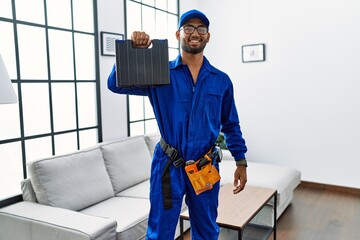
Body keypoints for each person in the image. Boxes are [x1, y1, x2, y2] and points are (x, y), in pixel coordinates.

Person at [108, 9, 248, 240]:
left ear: (208, 36)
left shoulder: (220, 80)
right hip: (167, 165)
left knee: (206, 229)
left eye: (201, 29)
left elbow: (231, 123)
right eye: (189, 28)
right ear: (178, 34)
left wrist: (241, 161)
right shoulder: (159, 72)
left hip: (205, 165)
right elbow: (115, 84)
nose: (195, 33)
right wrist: (135, 51)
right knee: (160, 231)